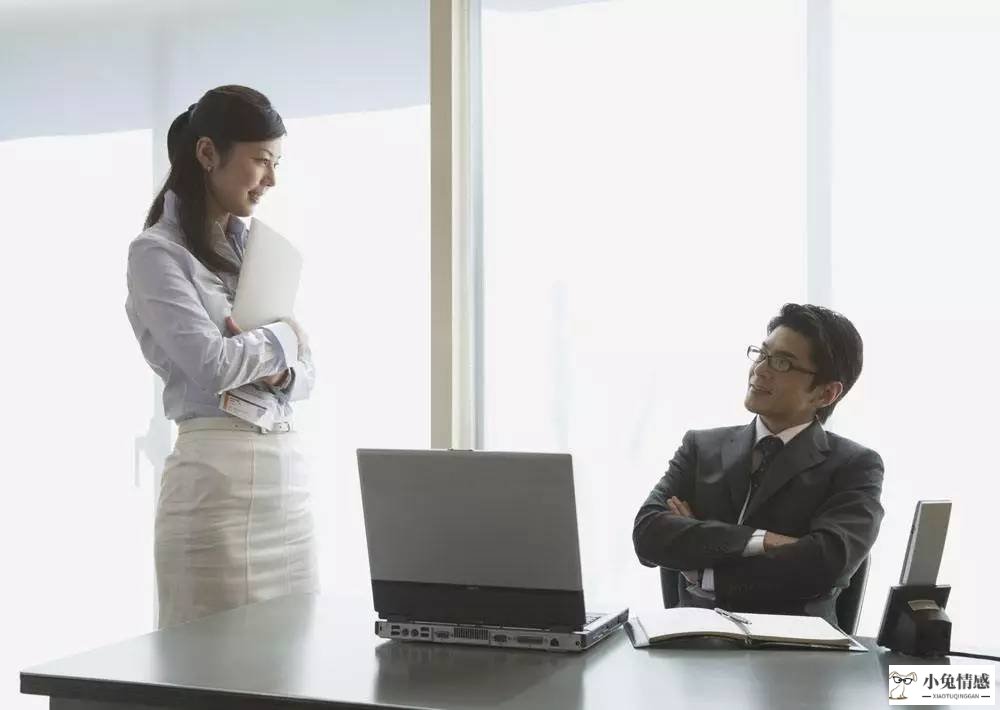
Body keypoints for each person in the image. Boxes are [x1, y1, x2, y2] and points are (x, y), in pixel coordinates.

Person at [126, 85, 317, 628]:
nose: (271, 179)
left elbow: (306, 377)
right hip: (215, 488)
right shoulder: (156, 254)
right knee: (210, 670)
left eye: (275, 163)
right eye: (261, 160)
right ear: (208, 154)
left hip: (287, 483)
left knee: (297, 664)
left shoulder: (255, 251)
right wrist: (281, 338)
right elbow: (211, 366)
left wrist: (278, 362)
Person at [632, 303, 883, 626]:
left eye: (782, 363)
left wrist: (701, 567)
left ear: (825, 393)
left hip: (795, 651)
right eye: (762, 354)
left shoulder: (854, 465)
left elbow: (826, 563)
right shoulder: (700, 446)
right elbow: (648, 534)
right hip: (692, 641)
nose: (761, 370)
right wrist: (763, 540)